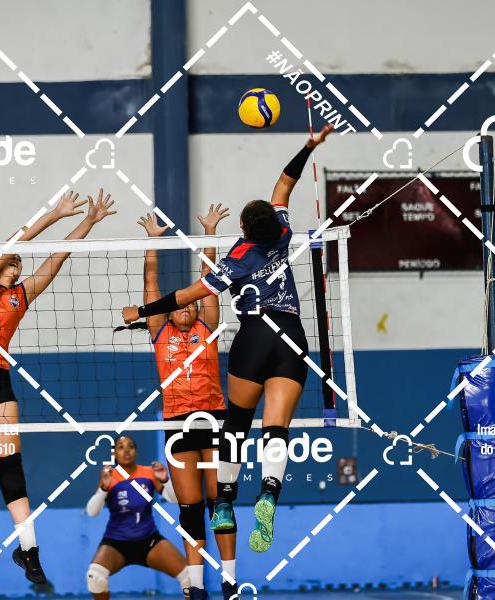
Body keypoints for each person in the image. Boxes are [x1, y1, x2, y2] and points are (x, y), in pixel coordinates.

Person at [122, 124, 335, 553]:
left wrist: (142, 312)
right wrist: (309, 145)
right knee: (276, 428)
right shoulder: (283, 233)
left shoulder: (236, 259)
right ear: (272, 222)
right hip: (291, 335)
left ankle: (223, 501)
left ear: (242, 226)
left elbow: (187, 295)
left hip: (253, 337)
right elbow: (286, 182)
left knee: (236, 423)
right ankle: (269, 493)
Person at [0, 189, 116, 592]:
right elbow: (18, 239)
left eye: (19, 262)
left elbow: (58, 256)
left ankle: (29, 552)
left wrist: (87, 221)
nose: (17, 261)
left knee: (10, 471)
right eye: (11, 258)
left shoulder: (21, 296)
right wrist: (54, 214)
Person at [136, 204, 238, 597]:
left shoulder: (207, 326)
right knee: (190, 508)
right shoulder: (158, 330)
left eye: (190, 303)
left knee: (220, 502)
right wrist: (151, 243)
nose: (185, 308)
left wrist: (209, 234)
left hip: (214, 420)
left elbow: (210, 280)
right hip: (178, 424)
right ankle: (195, 586)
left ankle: (229, 580)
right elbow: (150, 283)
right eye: (179, 304)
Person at [84, 436, 196, 599]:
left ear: (136, 451)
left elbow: (175, 499)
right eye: (121, 447)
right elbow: (92, 512)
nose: (126, 450)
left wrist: (165, 480)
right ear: (114, 453)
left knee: (191, 579)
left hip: (149, 541)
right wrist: (103, 489)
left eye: (130, 446)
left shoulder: (149, 473)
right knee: (95, 578)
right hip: (116, 543)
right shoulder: (110, 476)